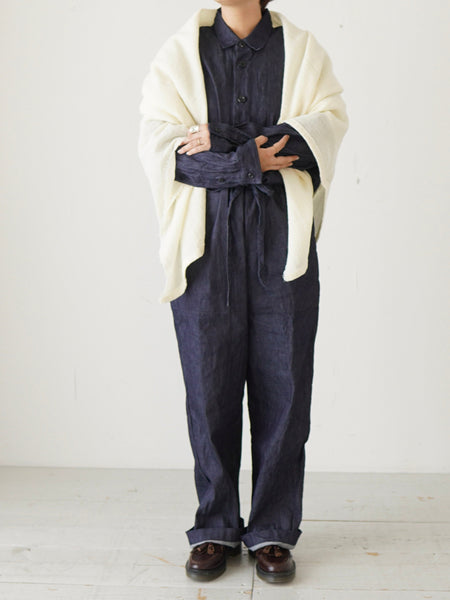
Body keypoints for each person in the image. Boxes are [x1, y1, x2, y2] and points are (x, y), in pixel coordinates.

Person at [138, 0, 348, 585]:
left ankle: (273, 530)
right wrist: (251, 159)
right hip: (204, 248)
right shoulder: (180, 54)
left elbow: (318, 138)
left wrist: (226, 142)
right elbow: (169, 156)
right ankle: (215, 525)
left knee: (285, 391)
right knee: (209, 391)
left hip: (283, 244)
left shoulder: (302, 51)